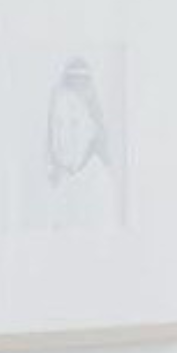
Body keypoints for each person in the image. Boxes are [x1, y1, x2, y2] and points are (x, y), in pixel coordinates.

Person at [36, 59, 121, 231]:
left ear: (93, 128)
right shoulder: (60, 180)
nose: (63, 137)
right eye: (57, 123)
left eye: (74, 123)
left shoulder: (98, 187)